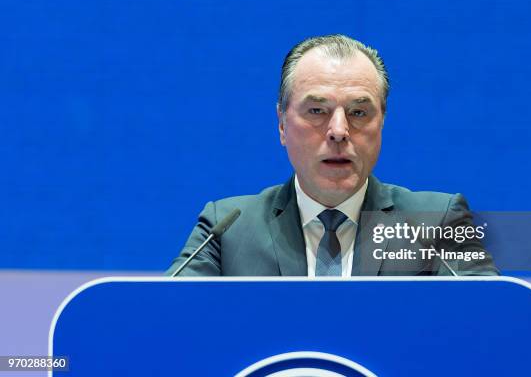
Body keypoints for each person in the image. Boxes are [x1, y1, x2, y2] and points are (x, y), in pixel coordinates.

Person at [166, 34, 498, 277]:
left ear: (382, 123)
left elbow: (495, 323)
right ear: (282, 125)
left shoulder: (436, 223)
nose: (339, 130)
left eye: (358, 113)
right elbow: (163, 323)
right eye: (316, 110)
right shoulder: (227, 229)